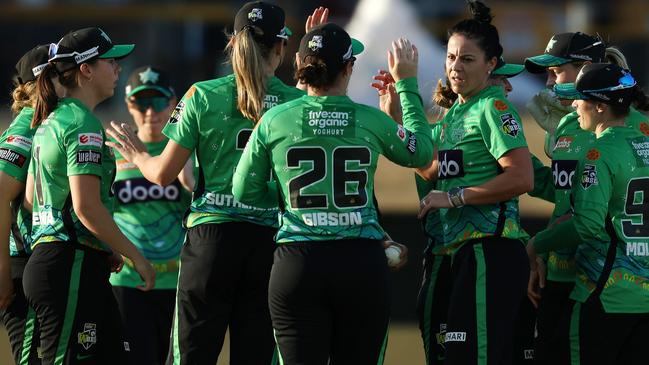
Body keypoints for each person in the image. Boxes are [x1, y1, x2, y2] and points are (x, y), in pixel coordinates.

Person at [105, 3, 327, 364]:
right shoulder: (297, 101)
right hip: (269, 244)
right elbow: (310, 101)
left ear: (232, 45)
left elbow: (161, 174)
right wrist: (311, 55)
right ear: (281, 48)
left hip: (211, 244)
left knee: (192, 357)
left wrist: (136, 155)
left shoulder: (201, 94)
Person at [232, 20, 432, 362]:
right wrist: (408, 86)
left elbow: (243, 191)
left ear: (299, 66)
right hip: (359, 263)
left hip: (297, 264)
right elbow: (422, 152)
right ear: (350, 67)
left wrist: (288, 200)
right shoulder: (371, 120)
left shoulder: (275, 119)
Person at [23, 27, 156, 364]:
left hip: (71, 262)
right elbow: (86, 207)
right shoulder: (81, 124)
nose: (117, 68)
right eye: (110, 61)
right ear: (85, 69)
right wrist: (134, 255)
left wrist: (102, 245)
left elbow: (31, 200)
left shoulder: (51, 120)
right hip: (68, 265)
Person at [415, 1, 534, 363]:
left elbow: (522, 176)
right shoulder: (458, 113)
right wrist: (397, 107)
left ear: (491, 64)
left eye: (467, 59)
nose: (454, 67)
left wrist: (455, 197)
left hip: (490, 250)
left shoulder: (492, 108)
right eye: (451, 57)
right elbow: (429, 169)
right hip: (465, 253)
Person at [523, 33, 648, 364]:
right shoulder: (566, 124)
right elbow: (566, 192)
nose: (550, 82)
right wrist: (518, 164)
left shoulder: (634, 128)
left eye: (556, 71)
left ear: (585, 70)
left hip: (599, 282)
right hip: (560, 272)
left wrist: (538, 242)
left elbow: (591, 217)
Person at [109, 66, 192, 365]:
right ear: (129, 105)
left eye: (157, 102)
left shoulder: (184, 150)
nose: (150, 112)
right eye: (141, 103)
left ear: (172, 103)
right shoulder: (113, 154)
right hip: (128, 282)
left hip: (179, 282)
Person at [0, 44, 50, 365]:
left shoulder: (55, 125)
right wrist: (3, 271)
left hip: (43, 261)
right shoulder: (23, 130)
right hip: (24, 264)